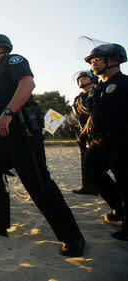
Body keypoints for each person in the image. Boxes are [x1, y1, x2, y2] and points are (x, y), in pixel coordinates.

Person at [0, 34, 85, 257]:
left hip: (21, 132)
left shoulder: (13, 60)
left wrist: (8, 113)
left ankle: (72, 236)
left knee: (38, 182)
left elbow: (28, 83)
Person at [82, 41, 128, 240]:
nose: (93, 63)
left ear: (115, 60)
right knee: (92, 173)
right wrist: (86, 131)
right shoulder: (99, 87)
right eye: (92, 60)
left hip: (122, 142)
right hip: (99, 142)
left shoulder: (124, 83)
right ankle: (119, 208)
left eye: (98, 59)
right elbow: (94, 113)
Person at [71, 71, 98, 195]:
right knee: (85, 162)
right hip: (84, 135)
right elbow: (79, 115)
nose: (81, 79)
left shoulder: (98, 92)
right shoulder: (78, 99)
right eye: (79, 78)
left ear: (92, 79)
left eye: (84, 77)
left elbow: (93, 113)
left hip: (99, 133)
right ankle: (88, 187)